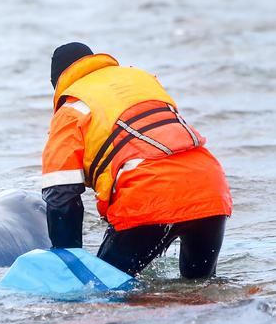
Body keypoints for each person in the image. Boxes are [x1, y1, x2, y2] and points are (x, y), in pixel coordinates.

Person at [42, 42, 232, 279]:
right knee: (202, 291)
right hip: (210, 187)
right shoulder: (140, 82)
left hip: (149, 194)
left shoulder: (71, 108)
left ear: (58, 83)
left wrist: (70, 267)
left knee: (102, 294)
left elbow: (61, 195)